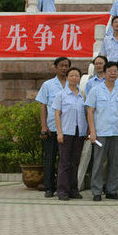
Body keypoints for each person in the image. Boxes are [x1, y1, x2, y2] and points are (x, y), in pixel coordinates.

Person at [86, 62, 118, 201]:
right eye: (110, 71)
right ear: (104, 73)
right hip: (101, 132)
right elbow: (90, 111)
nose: (113, 73)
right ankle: (97, 191)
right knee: (99, 163)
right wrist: (92, 131)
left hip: (116, 131)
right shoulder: (96, 90)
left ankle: (111, 190)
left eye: (115, 71)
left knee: (114, 163)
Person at [36, 56, 70, 197]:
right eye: (61, 65)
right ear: (55, 67)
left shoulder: (73, 84)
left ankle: (64, 186)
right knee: (50, 158)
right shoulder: (48, 85)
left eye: (66, 66)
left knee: (66, 160)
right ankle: (49, 187)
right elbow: (43, 106)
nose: (64, 68)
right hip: (52, 127)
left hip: (68, 128)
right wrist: (44, 126)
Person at [52, 67, 86, 200]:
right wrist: (59, 132)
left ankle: (73, 190)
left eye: (76, 76)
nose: (74, 78)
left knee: (75, 162)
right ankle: (62, 191)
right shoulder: (61, 95)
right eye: (71, 75)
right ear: (67, 78)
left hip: (79, 132)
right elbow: (57, 114)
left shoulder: (82, 95)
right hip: (66, 131)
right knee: (64, 162)